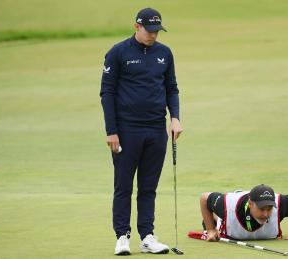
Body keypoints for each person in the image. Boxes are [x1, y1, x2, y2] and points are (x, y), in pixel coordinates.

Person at [100, 7, 183, 255]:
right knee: (124, 186)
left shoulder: (164, 54)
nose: (154, 35)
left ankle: (147, 236)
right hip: (126, 130)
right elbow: (107, 93)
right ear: (137, 26)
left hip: (156, 129)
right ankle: (122, 236)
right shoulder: (118, 53)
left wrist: (175, 118)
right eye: (150, 30)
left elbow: (172, 88)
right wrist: (112, 131)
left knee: (148, 187)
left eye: (157, 31)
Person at [199, 184, 288, 241]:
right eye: (261, 209)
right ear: (250, 204)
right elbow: (204, 198)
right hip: (230, 211)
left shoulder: (281, 203)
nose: (265, 214)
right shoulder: (226, 204)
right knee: (219, 218)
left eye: (269, 209)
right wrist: (210, 229)